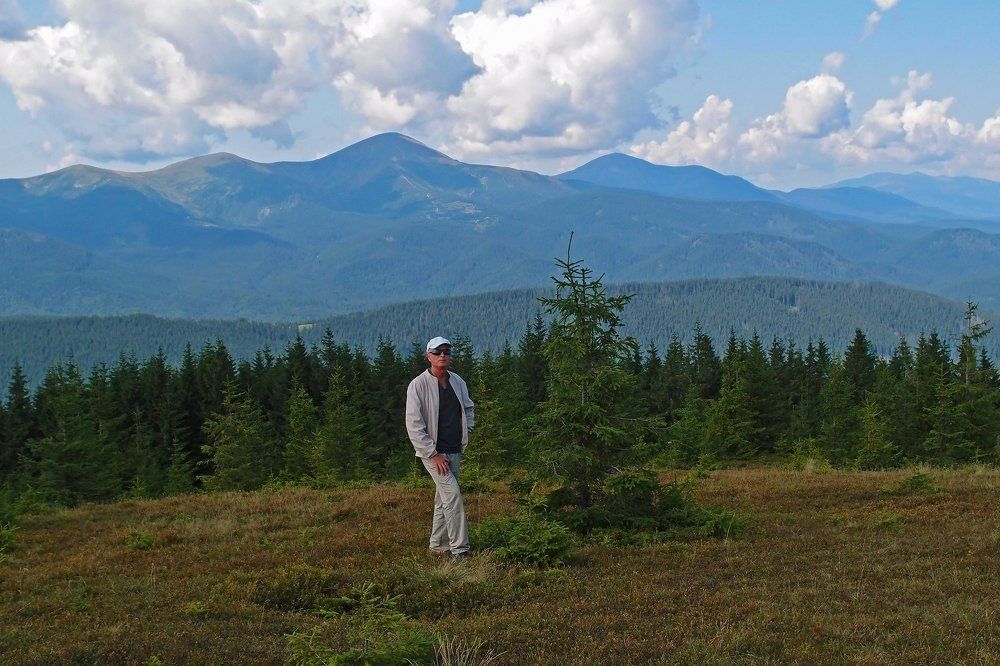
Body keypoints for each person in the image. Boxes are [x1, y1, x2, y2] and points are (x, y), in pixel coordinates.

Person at [405, 336, 475, 560]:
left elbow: (468, 407)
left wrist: (468, 430)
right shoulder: (418, 385)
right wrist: (433, 455)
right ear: (428, 356)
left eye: (447, 351)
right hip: (434, 453)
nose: (443, 355)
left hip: (454, 449)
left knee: (443, 498)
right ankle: (459, 550)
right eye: (437, 352)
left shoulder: (458, 382)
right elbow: (414, 425)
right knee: (453, 496)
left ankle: (437, 544)